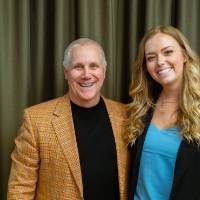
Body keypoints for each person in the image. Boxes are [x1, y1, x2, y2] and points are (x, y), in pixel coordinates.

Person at [7, 38, 129, 200]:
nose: (87, 74)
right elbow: (20, 188)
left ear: (104, 72)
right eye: (78, 67)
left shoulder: (126, 115)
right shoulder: (36, 120)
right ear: (66, 73)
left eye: (94, 66)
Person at [127, 25, 200, 200]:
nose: (160, 62)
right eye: (151, 57)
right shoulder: (141, 108)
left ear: (183, 55)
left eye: (167, 52)